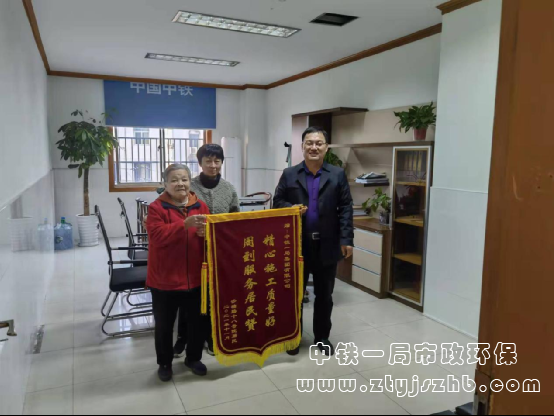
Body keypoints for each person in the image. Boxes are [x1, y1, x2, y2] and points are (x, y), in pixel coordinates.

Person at [273, 126, 354, 356]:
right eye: (309, 143)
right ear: (302, 147)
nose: (314, 147)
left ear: (326, 147)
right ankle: (293, 337)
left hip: (327, 244)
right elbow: (277, 202)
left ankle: (322, 337)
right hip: (297, 245)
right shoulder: (290, 174)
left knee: (324, 295)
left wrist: (346, 239)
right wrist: (291, 208)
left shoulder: (337, 174)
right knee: (295, 294)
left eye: (319, 143)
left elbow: (346, 208)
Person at [173, 143, 240, 358]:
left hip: (218, 251)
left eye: (217, 161)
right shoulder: (188, 186)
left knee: (213, 295)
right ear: (200, 163)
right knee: (188, 295)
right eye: (208, 161)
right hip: (190, 249)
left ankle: (211, 336)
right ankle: (183, 338)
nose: (213, 165)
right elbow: (169, 203)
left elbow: (235, 219)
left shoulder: (229, 189)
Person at [146, 164, 209, 382]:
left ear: (190, 182)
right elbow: (156, 236)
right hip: (165, 280)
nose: (180, 184)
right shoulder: (156, 208)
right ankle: (164, 363)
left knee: (196, 323)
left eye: (184, 179)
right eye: (174, 180)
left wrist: (207, 232)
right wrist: (184, 225)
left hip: (196, 277)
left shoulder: (200, 205)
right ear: (165, 184)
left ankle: (193, 358)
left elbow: (211, 234)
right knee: (164, 325)